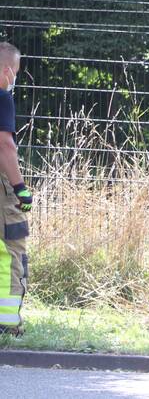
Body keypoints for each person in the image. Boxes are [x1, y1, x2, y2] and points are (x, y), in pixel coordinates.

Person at [0, 42, 30, 336]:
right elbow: (5, 146)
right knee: (12, 249)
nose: (15, 78)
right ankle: (7, 323)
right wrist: (20, 188)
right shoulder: (2, 98)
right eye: (16, 72)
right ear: (8, 70)